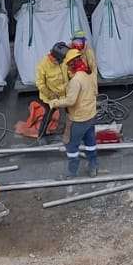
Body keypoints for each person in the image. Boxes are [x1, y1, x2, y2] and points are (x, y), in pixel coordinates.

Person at [46, 48, 98, 177]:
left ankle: (72, 173)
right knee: (90, 143)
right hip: (91, 116)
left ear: (71, 64)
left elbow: (70, 101)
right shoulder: (87, 74)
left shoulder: (76, 80)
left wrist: (55, 103)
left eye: (69, 65)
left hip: (79, 119)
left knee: (71, 146)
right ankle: (93, 167)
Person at [62, 29, 98, 143]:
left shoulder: (88, 52)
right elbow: (64, 72)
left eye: (80, 41)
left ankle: (85, 135)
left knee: (86, 112)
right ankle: (68, 135)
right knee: (71, 113)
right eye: (76, 41)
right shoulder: (68, 52)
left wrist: (94, 89)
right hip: (73, 85)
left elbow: (93, 72)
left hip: (85, 86)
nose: (78, 44)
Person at [33, 41, 70, 144]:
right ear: (54, 58)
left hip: (64, 95)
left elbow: (68, 73)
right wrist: (50, 95)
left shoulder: (63, 60)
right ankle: (41, 136)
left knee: (66, 115)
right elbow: (40, 84)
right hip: (50, 97)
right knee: (47, 116)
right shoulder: (43, 65)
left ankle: (61, 133)